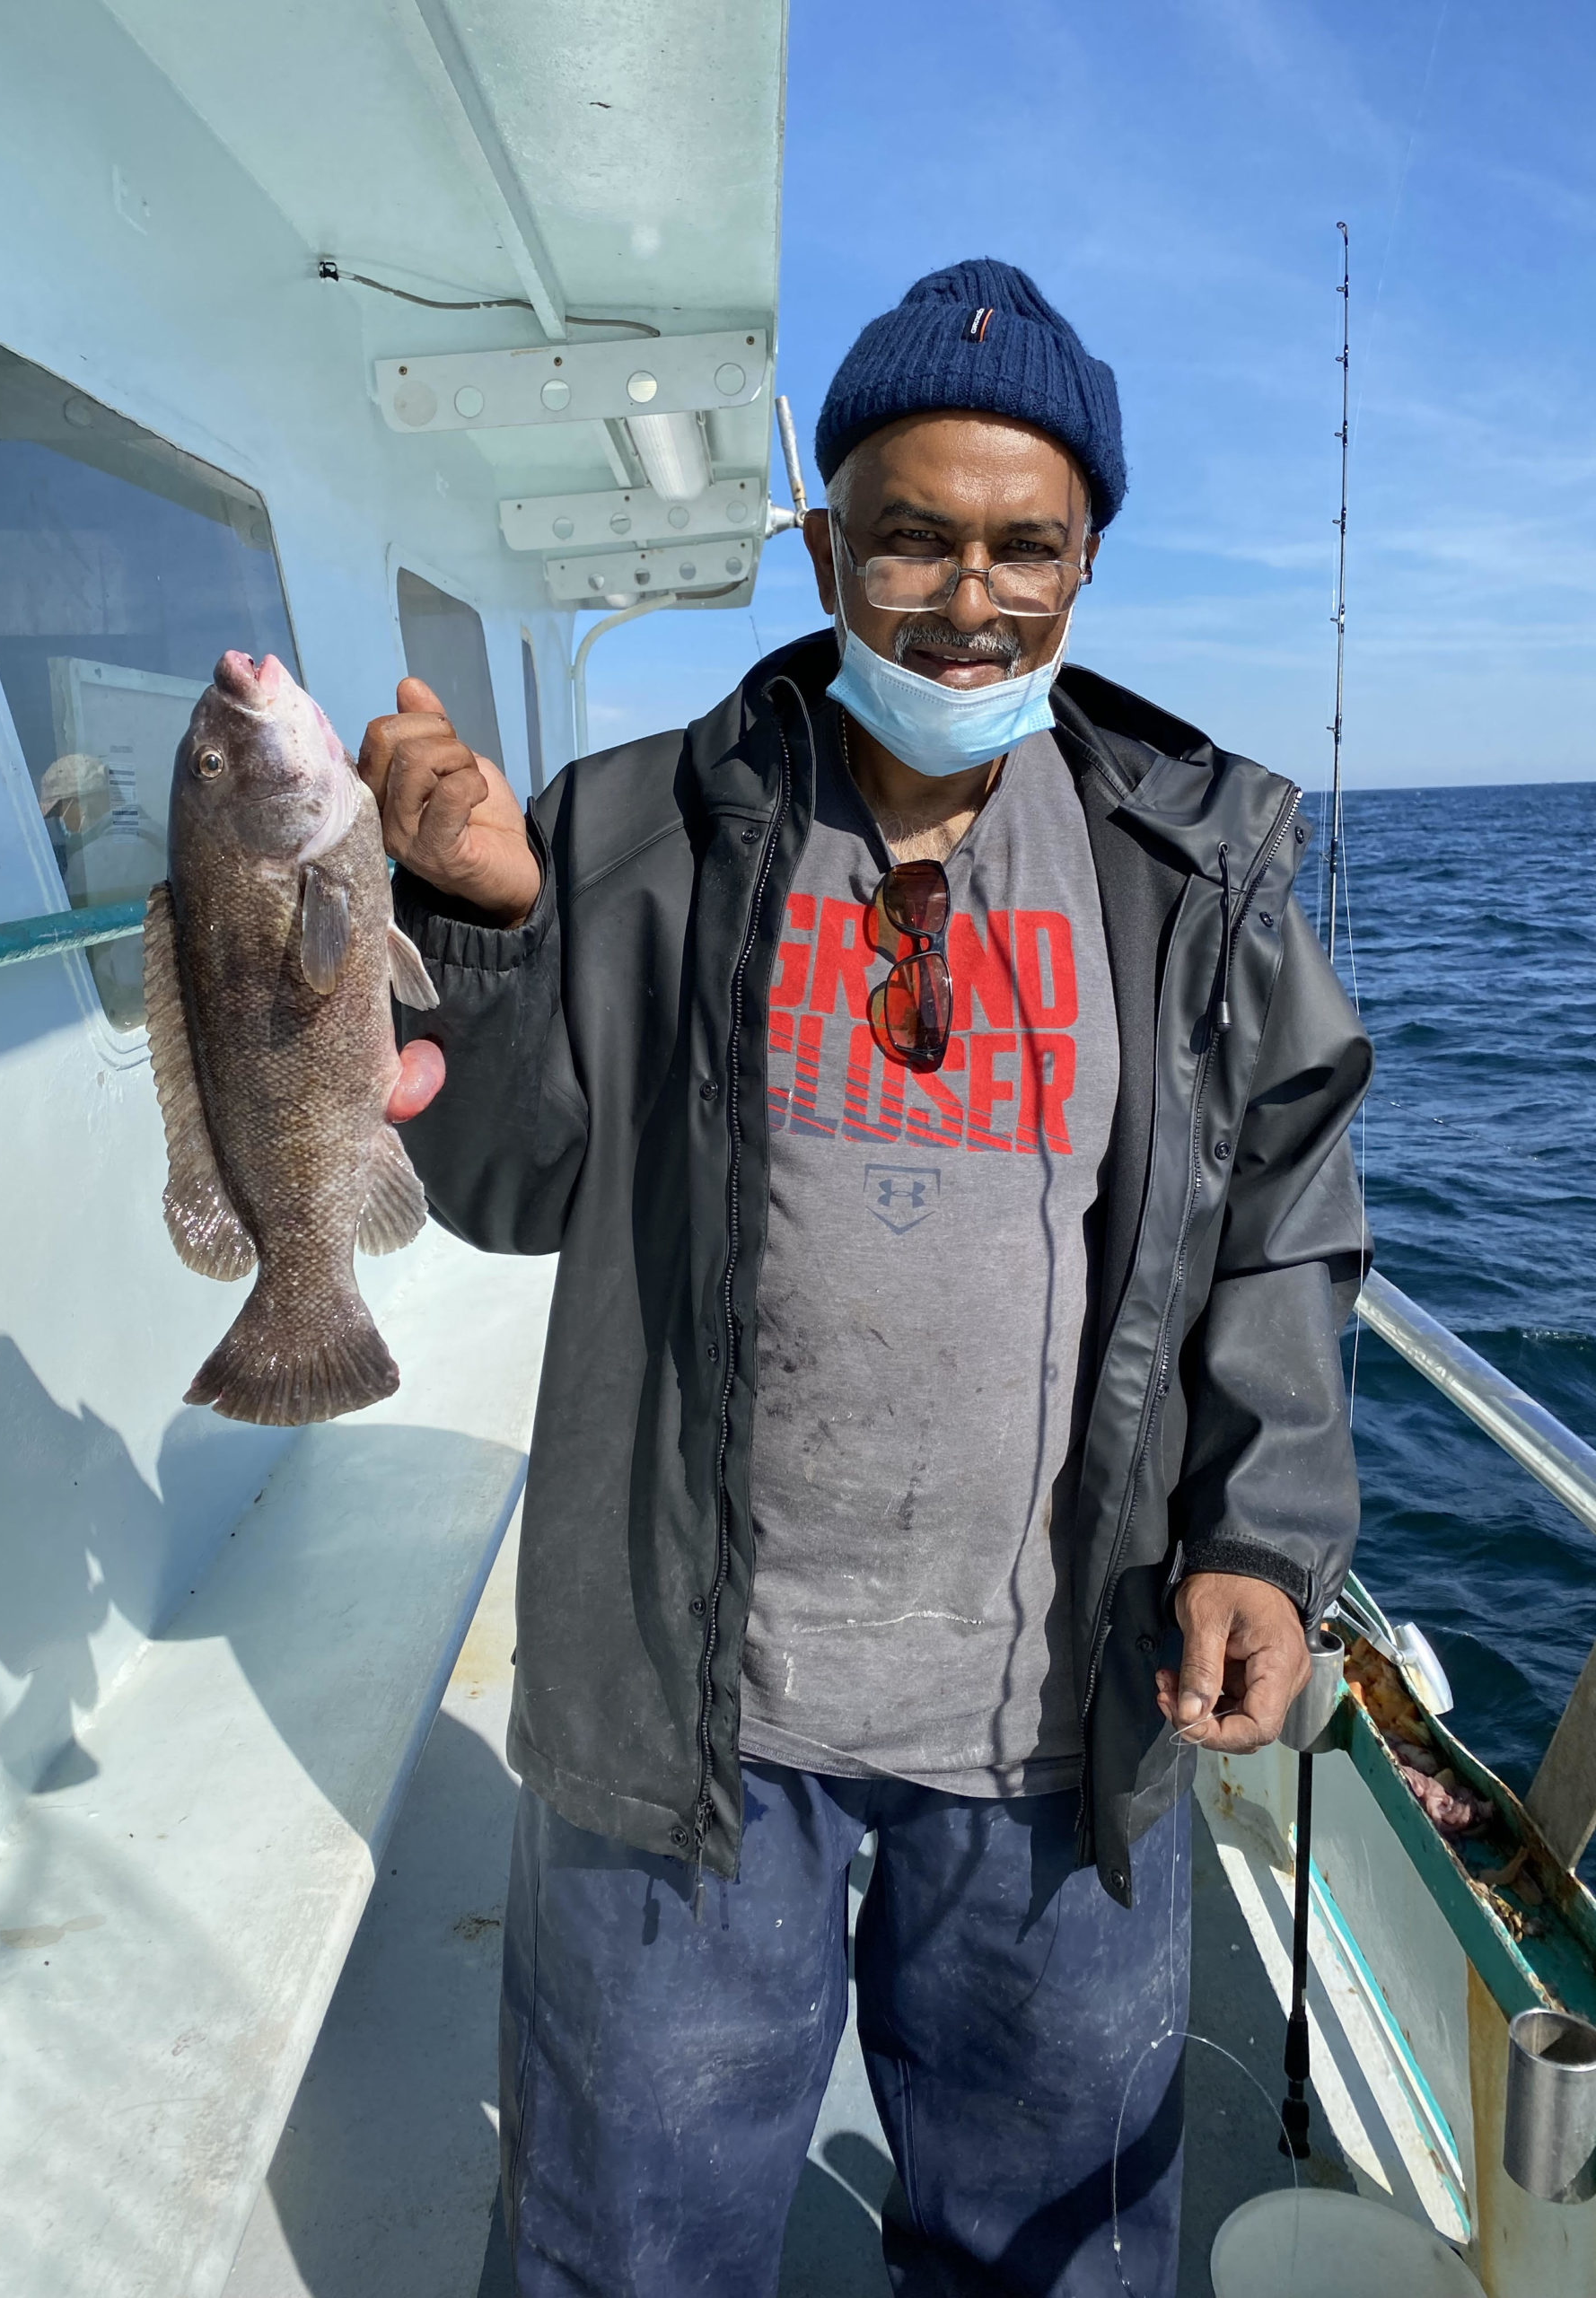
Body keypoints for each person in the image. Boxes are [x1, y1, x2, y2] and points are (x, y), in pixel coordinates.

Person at [359, 258, 1372, 2297]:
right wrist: (471, 924)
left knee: (1052, 2255)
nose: (968, 596)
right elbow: (509, 1181)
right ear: (828, 543)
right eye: (911, 535)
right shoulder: (635, 826)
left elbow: (1281, 1202)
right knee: (624, 2249)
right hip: (685, 1720)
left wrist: (1261, 1535)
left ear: (1089, 561)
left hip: (1062, 1726)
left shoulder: (1188, 863)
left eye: (1027, 546)